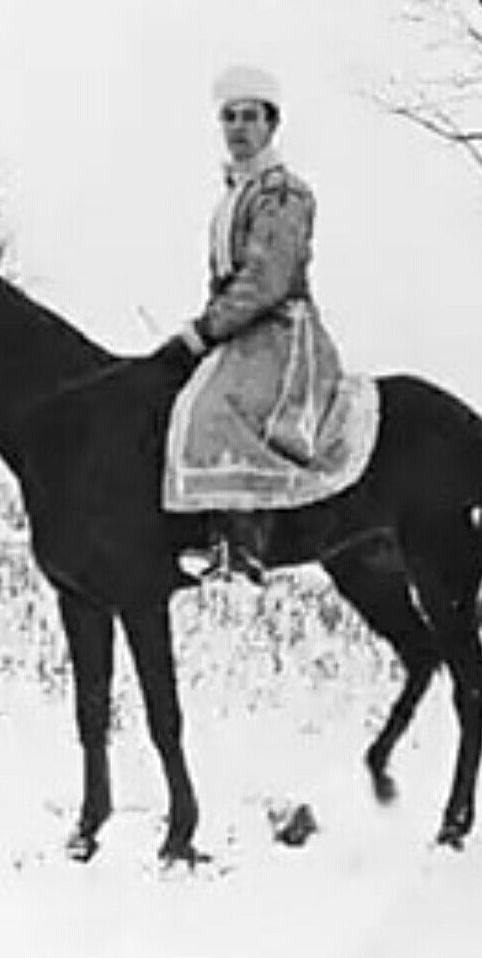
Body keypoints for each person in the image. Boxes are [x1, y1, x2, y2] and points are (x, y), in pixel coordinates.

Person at [157, 64, 343, 582]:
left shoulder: (283, 193)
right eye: (229, 117)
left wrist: (203, 331)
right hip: (240, 329)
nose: (238, 128)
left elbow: (267, 279)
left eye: (250, 117)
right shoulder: (233, 195)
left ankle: (243, 544)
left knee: (213, 408)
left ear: (271, 124)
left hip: (281, 330)